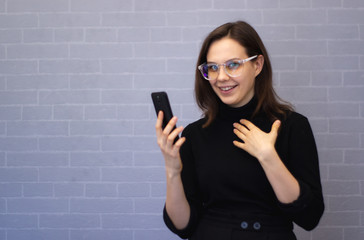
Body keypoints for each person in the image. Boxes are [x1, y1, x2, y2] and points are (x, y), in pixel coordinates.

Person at [155, 21, 324, 240]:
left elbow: (309, 218)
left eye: (233, 65)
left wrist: (268, 157)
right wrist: (172, 170)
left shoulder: (292, 126)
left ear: (257, 65)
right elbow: (182, 226)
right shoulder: (195, 135)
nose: (221, 77)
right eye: (213, 67)